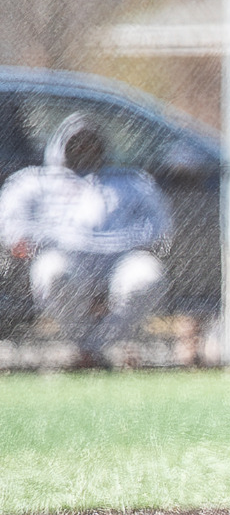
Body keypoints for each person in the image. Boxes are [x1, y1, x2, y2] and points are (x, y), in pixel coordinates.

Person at [0, 114, 172, 367]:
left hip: (120, 259)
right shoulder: (34, 182)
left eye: (90, 143)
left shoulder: (130, 181)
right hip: (64, 258)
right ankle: (86, 350)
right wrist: (43, 240)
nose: (83, 150)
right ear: (61, 145)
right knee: (53, 271)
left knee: (148, 276)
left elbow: (160, 226)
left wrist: (125, 242)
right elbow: (11, 225)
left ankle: (96, 347)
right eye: (76, 144)